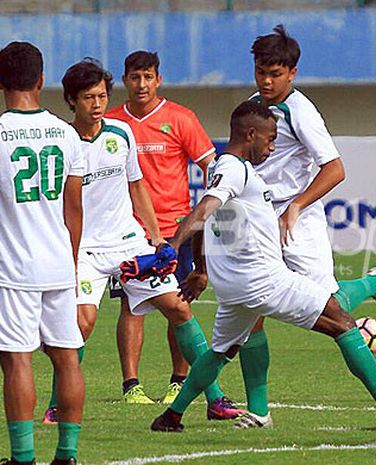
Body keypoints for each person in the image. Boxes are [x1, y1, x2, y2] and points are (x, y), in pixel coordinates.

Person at [147, 100, 376, 432]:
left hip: (234, 286)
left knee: (220, 352)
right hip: (262, 278)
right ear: (251, 134)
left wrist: (201, 270)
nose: (272, 148)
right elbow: (202, 211)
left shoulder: (219, 167)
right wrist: (174, 245)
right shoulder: (236, 169)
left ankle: (171, 416)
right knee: (341, 322)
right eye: (270, 140)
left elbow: (204, 212)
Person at [41, 59, 243, 425]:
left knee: (179, 309)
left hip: (127, 240)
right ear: (72, 100)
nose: (98, 103)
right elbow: (65, 204)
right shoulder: (63, 142)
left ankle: (214, 398)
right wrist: (66, 256)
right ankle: (58, 404)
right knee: (81, 323)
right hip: (84, 249)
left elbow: (137, 187)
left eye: (102, 95)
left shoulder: (121, 134)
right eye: (88, 97)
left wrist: (155, 237)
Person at [232, 24, 376, 428]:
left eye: (275, 73)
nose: (267, 80)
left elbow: (335, 168)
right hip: (259, 222)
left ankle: (374, 282)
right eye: (261, 71)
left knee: (333, 308)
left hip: (299, 222)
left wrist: (295, 207)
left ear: (292, 72)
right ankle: (259, 411)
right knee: (250, 310)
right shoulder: (251, 108)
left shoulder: (301, 111)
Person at [105, 51, 226, 410]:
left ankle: (179, 381)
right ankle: (131, 385)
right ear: (125, 81)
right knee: (131, 304)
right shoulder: (111, 123)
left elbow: (210, 165)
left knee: (179, 303)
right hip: (127, 232)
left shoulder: (180, 118)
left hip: (175, 232)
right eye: (134, 77)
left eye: (148, 77)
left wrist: (207, 208)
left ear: (158, 80)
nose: (141, 85)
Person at [0, 41, 85, 465]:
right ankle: (67, 455)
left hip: (13, 266)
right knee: (66, 358)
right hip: (58, 263)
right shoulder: (67, 133)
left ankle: (22, 458)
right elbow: (74, 208)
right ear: (41, 79)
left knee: (17, 360)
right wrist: (70, 264)